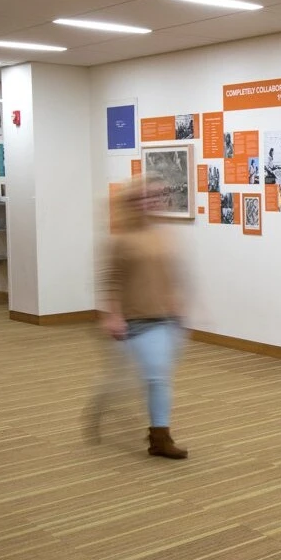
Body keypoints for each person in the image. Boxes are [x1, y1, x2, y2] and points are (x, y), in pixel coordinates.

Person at [92, 177, 189, 459]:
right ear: (131, 204)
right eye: (143, 198)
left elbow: (173, 274)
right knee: (153, 378)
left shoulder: (165, 235)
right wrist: (112, 315)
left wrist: (179, 304)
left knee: (156, 378)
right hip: (136, 320)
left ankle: (158, 436)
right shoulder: (121, 240)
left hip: (167, 319)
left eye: (155, 197)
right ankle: (159, 437)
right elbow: (111, 280)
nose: (150, 202)